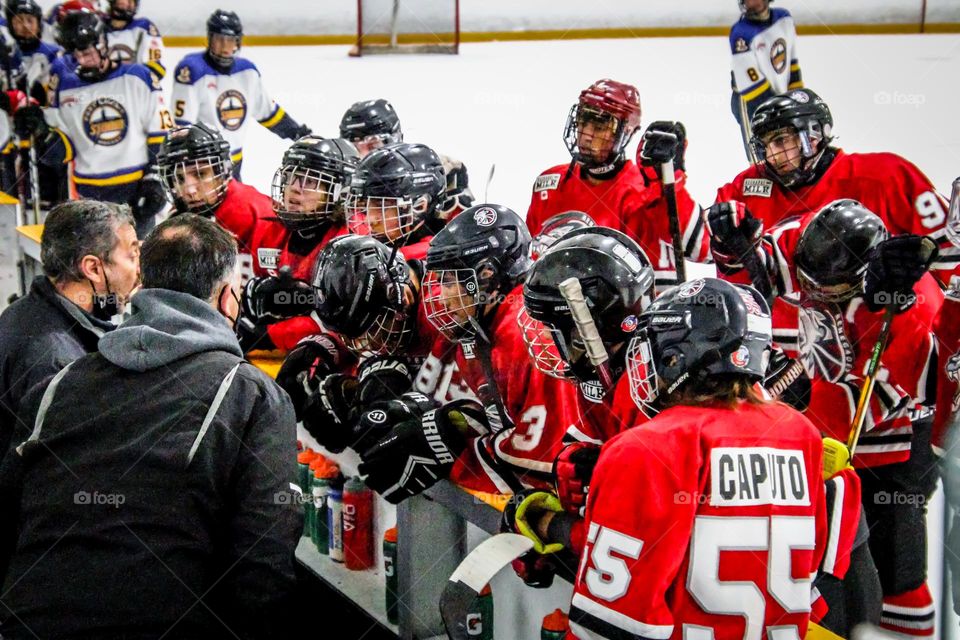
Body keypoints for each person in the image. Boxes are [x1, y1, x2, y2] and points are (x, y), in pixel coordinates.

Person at [0, 213, 300, 638]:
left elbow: (11, 504)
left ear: (142, 286)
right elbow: (263, 560)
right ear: (229, 300)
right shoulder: (248, 393)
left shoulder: (62, 381)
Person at [508, 277, 830, 639]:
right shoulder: (800, 433)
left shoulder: (648, 447)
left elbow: (612, 624)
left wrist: (550, 523)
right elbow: (810, 565)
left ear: (676, 355)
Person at [717, 199, 941, 637]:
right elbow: (745, 281)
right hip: (807, 434)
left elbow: (873, 399)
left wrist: (799, 408)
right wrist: (732, 245)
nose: (813, 294)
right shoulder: (799, 241)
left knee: (896, 568)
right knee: (810, 561)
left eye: (830, 291)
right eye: (807, 283)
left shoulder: (914, 303)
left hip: (891, 447)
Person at [355, 204, 582, 501]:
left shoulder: (528, 337)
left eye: (449, 281)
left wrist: (453, 459)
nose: (440, 295)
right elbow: (502, 421)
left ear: (486, 276)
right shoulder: (478, 325)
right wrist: (447, 425)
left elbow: (543, 465)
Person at [525, 78, 707, 290]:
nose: (587, 135)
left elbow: (699, 250)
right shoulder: (549, 184)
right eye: (583, 121)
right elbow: (528, 263)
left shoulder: (646, 189)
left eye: (600, 126)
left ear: (626, 131)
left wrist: (672, 184)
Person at [0, 200, 138, 465]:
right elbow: (60, 476)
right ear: (94, 268)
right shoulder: (58, 362)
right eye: (131, 256)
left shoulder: (24, 311)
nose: (138, 269)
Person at [14, 8, 170, 236]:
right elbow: (61, 153)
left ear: (103, 43)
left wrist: (155, 178)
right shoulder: (65, 87)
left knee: (139, 264)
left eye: (87, 51)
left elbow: (161, 133)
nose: (82, 59)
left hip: (135, 191)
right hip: (88, 196)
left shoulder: (138, 77)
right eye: (74, 54)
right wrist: (41, 133)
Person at [234, 134, 358, 352]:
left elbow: (341, 323)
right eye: (290, 177)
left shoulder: (350, 244)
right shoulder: (269, 231)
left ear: (341, 192)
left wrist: (270, 335)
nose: (294, 188)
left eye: (310, 181)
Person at [172, 9, 310, 179]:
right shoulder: (192, 71)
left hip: (234, 163)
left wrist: (297, 133)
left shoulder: (247, 72)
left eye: (230, 41)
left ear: (238, 42)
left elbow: (268, 112)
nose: (225, 47)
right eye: (219, 40)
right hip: (202, 167)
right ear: (209, 39)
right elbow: (181, 129)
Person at [157, 121, 287, 280]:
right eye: (179, 178)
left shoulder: (256, 212)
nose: (190, 190)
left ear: (221, 171)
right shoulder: (178, 217)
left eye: (200, 174)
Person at [339, 98, 474, 222]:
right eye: (354, 148)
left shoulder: (439, 170)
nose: (362, 156)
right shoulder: (338, 179)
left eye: (373, 146)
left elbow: (464, 229)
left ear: (396, 137)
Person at [345, 140, 446, 260]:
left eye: (383, 206)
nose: (369, 220)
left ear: (419, 207)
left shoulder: (440, 267)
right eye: (365, 205)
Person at [729, 0, 802, 160]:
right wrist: (774, 110)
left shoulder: (784, 18)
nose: (753, 2)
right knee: (761, 158)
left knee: (788, 150)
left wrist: (796, 95)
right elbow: (750, 82)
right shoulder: (741, 33)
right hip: (750, 101)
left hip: (779, 98)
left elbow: (791, 60)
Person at [104, 0, 165, 80]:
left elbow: (156, 68)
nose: (127, 4)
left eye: (131, 1)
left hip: (134, 87)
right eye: (123, 1)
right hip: (104, 88)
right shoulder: (97, 26)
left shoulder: (144, 27)